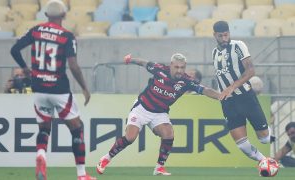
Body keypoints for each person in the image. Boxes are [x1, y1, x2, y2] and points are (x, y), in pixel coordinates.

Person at [10, 0, 96, 180]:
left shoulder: (36, 30)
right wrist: (85, 88)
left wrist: (25, 68)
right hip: (59, 89)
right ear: (64, 15)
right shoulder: (67, 36)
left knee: (44, 129)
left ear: (46, 15)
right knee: (77, 129)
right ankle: (81, 175)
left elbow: (14, 49)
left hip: (39, 88)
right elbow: (73, 66)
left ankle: (41, 154)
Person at [96, 53, 220, 176]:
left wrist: (221, 96)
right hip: (142, 108)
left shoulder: (187, 81)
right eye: (176, 67)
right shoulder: (159, 69)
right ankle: (106, 158)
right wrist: (130, 59)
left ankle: (159, 168)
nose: (179, 71)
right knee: (130, 138)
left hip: (160, 112)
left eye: (182, 67)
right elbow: (143, 63)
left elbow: (205, 90)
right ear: (171, 65)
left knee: (169, 134)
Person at [211, 21, 272, 163]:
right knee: (242, 145)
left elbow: (251, 70)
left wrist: (231, 87)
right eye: (221, 36)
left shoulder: (238, 45)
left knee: (265, 139)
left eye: (226, 35)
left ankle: (268, 127)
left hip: (245, 98)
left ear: (229, 33)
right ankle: (265, 162)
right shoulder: (214, 52)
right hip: (228, 102)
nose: (224, 39)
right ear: (215, 35)